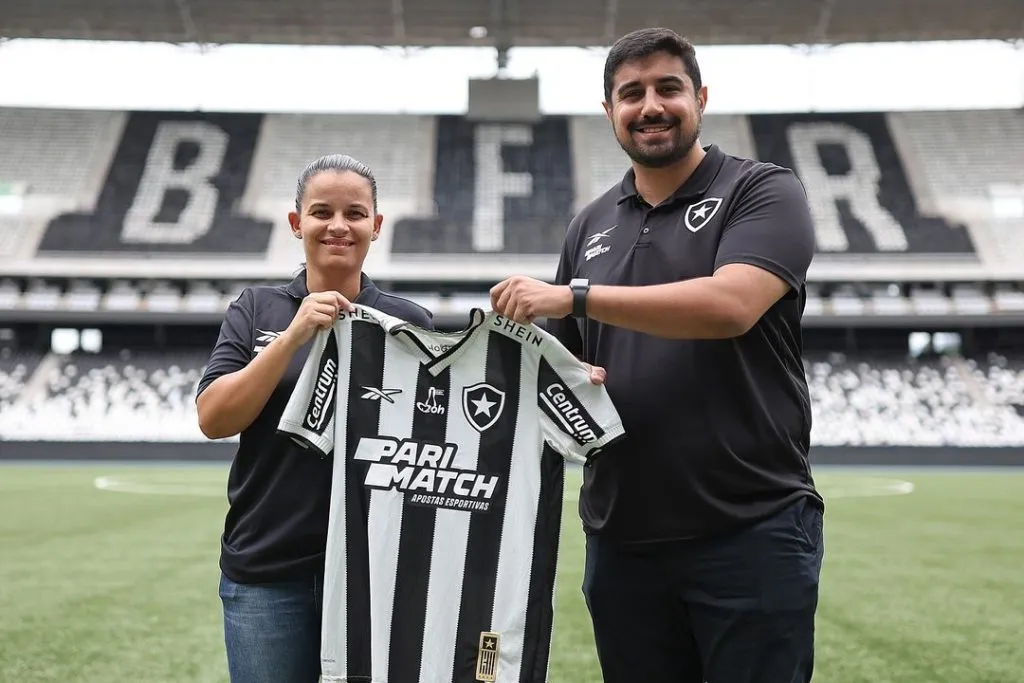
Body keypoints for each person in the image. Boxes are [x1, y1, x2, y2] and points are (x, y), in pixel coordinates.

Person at [489, 27, 824, 683]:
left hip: (749, 530)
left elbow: (731, 305)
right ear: (609, 111)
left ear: (699, 97)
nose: (650, 106)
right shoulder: (589, 224)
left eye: (668, 88)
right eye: (630, 93)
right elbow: (564, 370)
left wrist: (573, 295)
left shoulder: (763, 191)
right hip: (622, 540)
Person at [195, 153, 434, 683]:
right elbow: (213, 418)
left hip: (376, 575)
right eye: (322, 212)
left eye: (354, 213)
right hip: (267, 567)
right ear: (297, 222)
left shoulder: (409, 321)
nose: (338, 226)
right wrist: (292, 336)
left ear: (375, 225)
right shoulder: (256, 309)